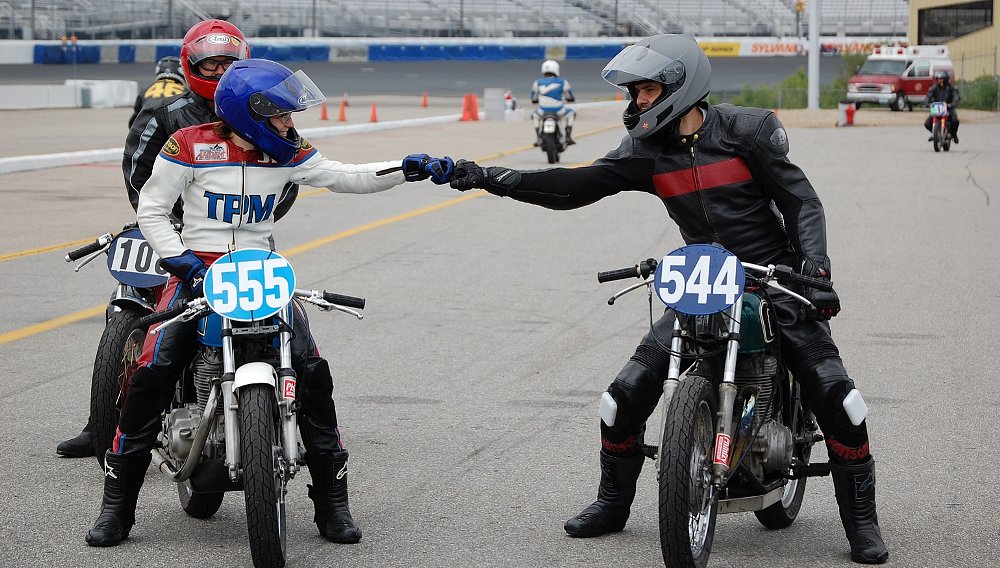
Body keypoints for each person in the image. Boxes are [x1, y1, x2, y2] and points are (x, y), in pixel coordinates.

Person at [449, 34, 888, 564]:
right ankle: (612, 504)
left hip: (773, 277)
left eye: (647, 91)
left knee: (837, 397)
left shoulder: (747, 133)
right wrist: (492, 178)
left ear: (682, 87)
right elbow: (574, 185)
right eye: (634, 92)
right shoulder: (646, 153)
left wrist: (814, 268)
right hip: (705, 281)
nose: (637, 102)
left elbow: (801, 202)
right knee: (623, 398)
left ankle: (862, 523)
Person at [85, 58, 454, 548]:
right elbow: (152, 210)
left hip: (261, 271)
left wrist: (406, 169)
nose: (289, 122)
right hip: (196, 269)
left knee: (312, 373)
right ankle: (117, 507)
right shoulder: (189, 145)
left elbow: (345, 175)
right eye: (280, 114)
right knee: (152, 370)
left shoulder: (287, 151)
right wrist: (185, 265)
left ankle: (332, 504)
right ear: (250, 113)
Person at [56, 19, 259, 459]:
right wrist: (164, 222)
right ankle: (103, 423)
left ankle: (291, 422)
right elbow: (137, 170)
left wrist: (246, 217)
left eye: (227, 63)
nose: (219, 71)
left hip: (236, 236)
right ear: (191, 66)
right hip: (170, 230)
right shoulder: (166, 113)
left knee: (285, 328)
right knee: (128, 305)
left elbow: (285, 175)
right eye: (210, 64)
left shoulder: (259, 110)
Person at [127, 56, 186, 128]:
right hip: (173, 129)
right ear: (182, 71)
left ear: (158, 70)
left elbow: (133, 122)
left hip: (147, 128)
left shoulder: (145, 90)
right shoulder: (186, 91)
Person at [531, 59, 576, 146]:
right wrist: (570, 99)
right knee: (572, 114)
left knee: (534, 116)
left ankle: (538, 137)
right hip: (559, 110)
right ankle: (568, 136)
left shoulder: (537, 82)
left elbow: (533, 97)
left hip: (543, 111)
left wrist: (535, 100)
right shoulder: (563, 82)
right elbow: (569, 96)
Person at [924, 70, 960, 143]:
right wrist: (927, 103)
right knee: (927, 123)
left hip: (949, 109)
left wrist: (952, 104)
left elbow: (956, 97)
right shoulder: (934, 87)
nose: (939, 81)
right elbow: (928, 96)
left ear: (946, 79)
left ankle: (953, 134)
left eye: (941, 79)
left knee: (955, 121)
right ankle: (935, 133)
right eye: (938, 79)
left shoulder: (952, 88)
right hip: (937, 109)